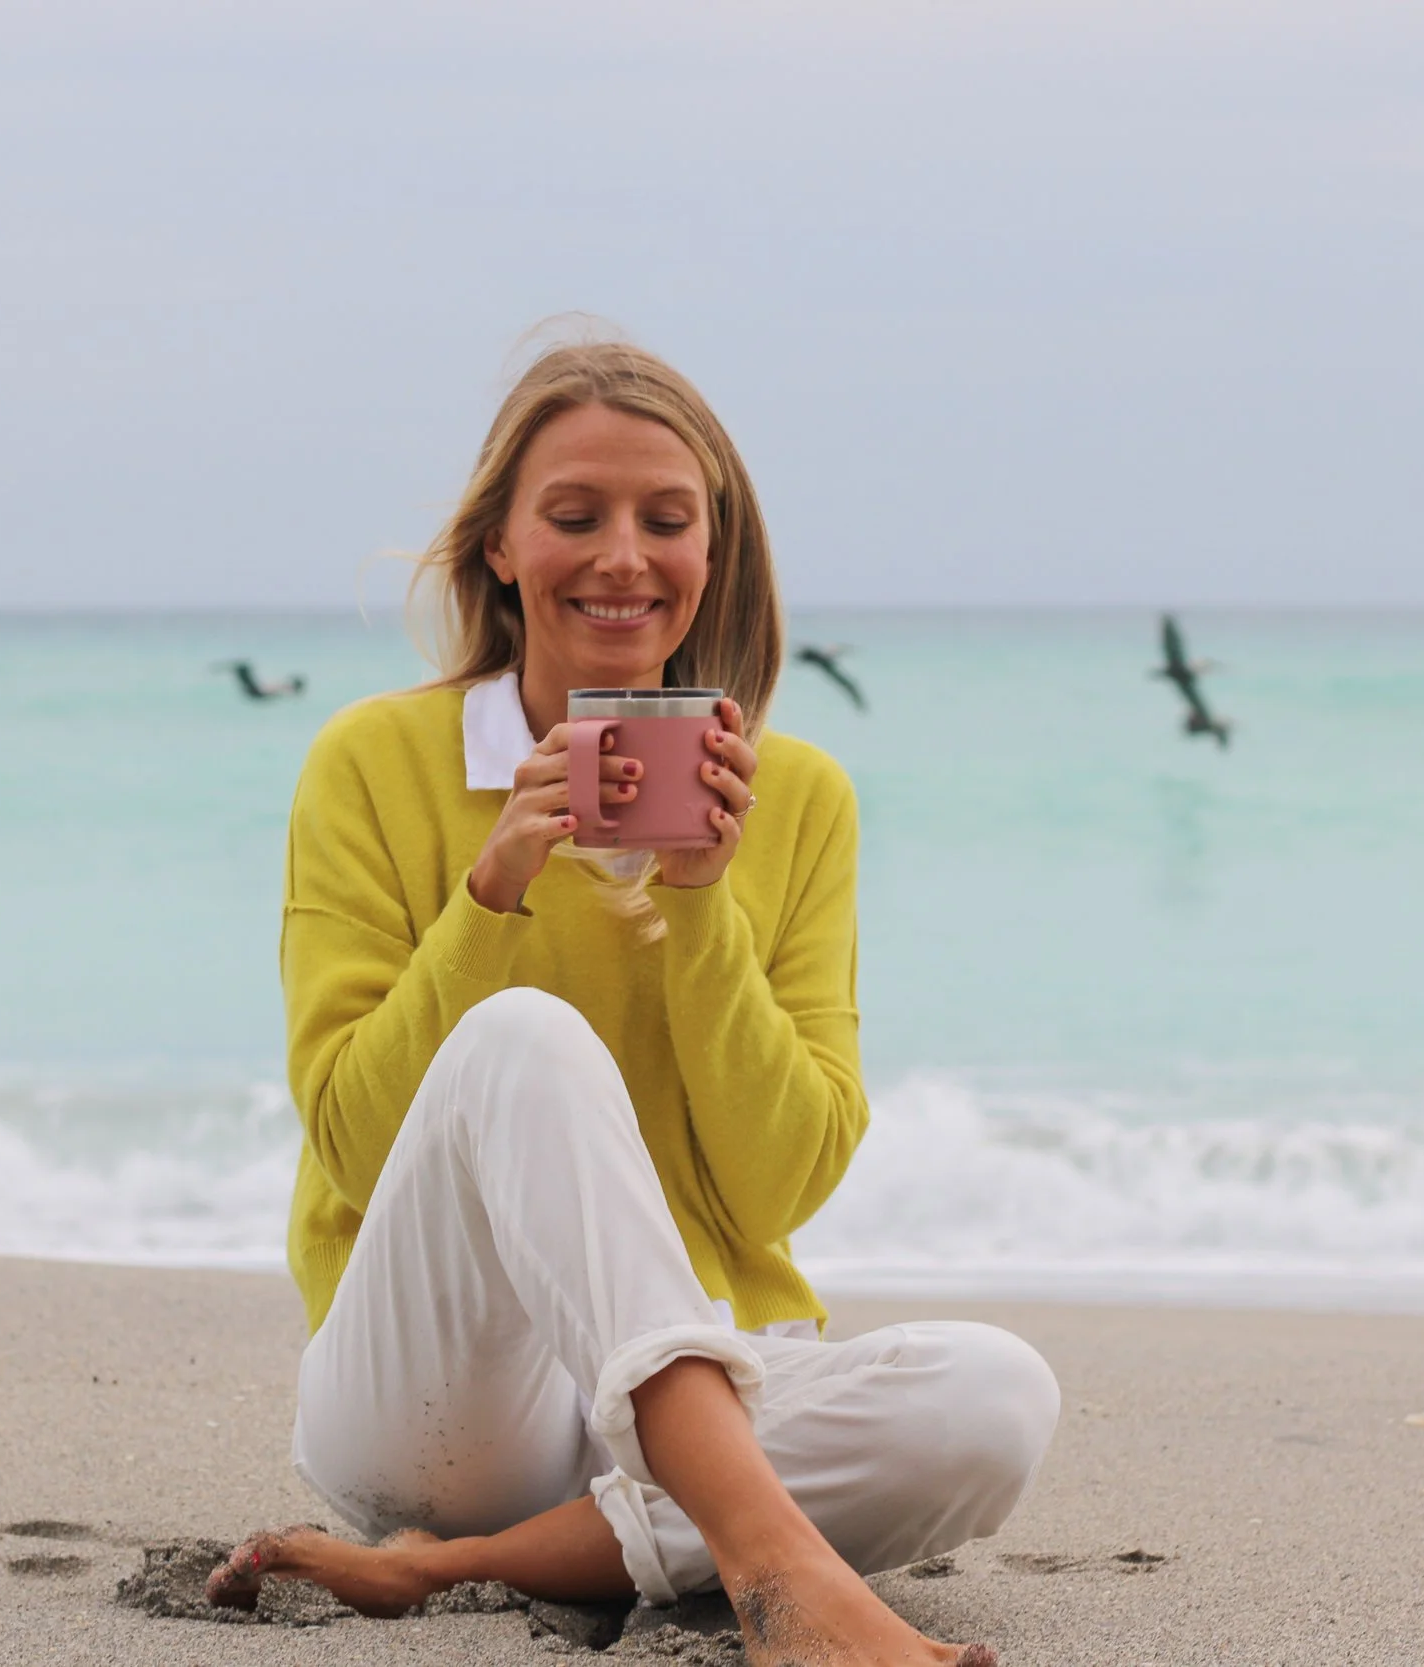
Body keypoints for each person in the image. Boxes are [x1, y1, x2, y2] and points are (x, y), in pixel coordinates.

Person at [211, 340, 1059, 1666]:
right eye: (575, 516)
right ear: (501, 543)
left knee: (997, 1399)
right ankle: (774, 1562)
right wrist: (490, 901)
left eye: (668, 521)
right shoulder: (373, 763)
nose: (624, 556)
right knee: (522, 1038)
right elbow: (353, 1146)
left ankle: (466, 1568)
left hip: (679, 1406)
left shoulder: (801, 799)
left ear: (713, 555)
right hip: (440, 1398)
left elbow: (776, 1188)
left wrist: (704, 904)